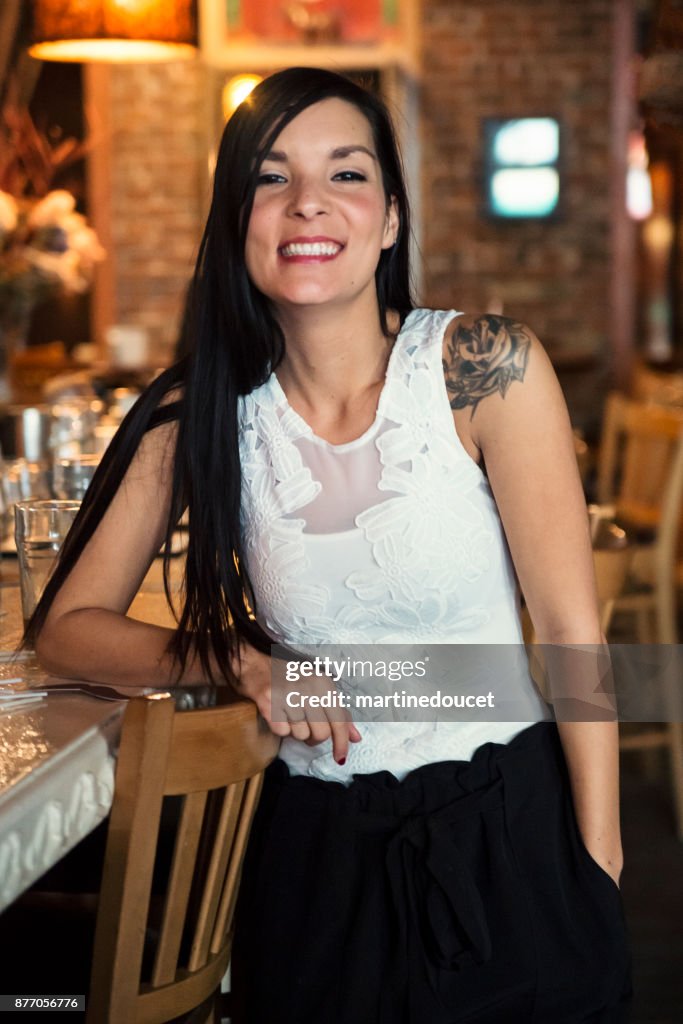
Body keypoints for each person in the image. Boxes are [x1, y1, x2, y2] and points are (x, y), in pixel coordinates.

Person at [30, 68, 631, 1022]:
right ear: (237, 222)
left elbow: (569, 628)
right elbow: (64, 630)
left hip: (506, 831)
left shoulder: (485, 368)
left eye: (345, 174)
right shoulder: (195, 415)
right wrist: (239, 660)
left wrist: (597, 857)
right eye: (271, 178)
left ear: (390, 217)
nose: (308, 201)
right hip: (314, 856)